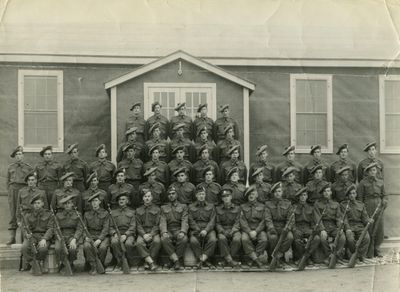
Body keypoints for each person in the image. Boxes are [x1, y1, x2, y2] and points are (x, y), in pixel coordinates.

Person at [357, 162, 386, 257]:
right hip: (367, 205)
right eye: (370, 171)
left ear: (376, 171)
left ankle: (377, 248)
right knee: (369, 227)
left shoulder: (381, 182)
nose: (373, 172)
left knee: (379, 228)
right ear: (367, 172)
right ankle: (369, 249)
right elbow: (360, 198)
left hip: (378, 205)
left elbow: (384, 195)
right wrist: (362, 210)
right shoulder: (363, 183)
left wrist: (384, 201)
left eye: (374, 170)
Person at [20, 194, 54, 274]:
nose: (37, 205)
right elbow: (25, 228)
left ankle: (37, 264)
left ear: (42, 203)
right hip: (32, 236)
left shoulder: (49, 214)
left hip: (43, 236)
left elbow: (50, 228)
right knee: (24, 248)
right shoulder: (28, 215)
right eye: (35, 203)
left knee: (43, 248)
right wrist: (26, 234)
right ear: (32, 205)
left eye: (38, 203)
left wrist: (45, 239)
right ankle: (34, 264)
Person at [314, 183, 346, 264]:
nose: (326, 193)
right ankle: (329, 255)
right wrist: (322, 229)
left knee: (342, 237)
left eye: (328, 191)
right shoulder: (317, 204)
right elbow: (317, 218)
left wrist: (340, 228)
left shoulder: (336, 204)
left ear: (331, 192)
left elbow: (339, 218)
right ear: (322, 193)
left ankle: (336, 255)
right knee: (322, 238)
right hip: (323, 226)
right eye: (324, 191)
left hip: (333, 226)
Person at [7, 146, 33, 245]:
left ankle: (26, 237)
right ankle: (12, 237)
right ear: (15, 156)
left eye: (20, 154)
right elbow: (7, 182)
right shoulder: (10, 167)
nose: (19, 156)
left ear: (23, 155)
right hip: (13, 190)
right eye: (17, 154)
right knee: (14, 212)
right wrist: (10, 192)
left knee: (26, 211)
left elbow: (31, 180)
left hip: (24, 190)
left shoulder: (28, 167)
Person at [265, 182, 294, 267]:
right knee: (273, 238)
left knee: (289, 237)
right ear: (273, 193)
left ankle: (279, 255)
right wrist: (271, 228)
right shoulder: (268, 204)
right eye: (276, 192)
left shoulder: (288, 204)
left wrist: (287, 228)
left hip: (284, 226)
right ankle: (271, 257)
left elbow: (291, 219)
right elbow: (268, 218)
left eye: (279, 191)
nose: (278, 193)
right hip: (273, 227)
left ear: (282, 192)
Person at [160, 186, 189, 270]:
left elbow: (184, 219)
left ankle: (173, 260)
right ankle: (177, 260)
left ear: (177, 195)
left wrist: (183, 231)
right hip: (168, 229)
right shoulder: (163, 207)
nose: (171, 195)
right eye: (169, 194)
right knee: (164, 239)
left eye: (173, 194)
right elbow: (163, 221)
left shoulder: (183, 206)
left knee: (184, 239)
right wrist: (164, 232)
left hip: (178, 229)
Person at [188, 186, 217, 268]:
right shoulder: (190, 207)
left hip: (208, 229)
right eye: (199, 194)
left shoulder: (211, 206)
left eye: (203, 194)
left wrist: (206, 230)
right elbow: (190, 220)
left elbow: (212, 221)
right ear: (196, 195)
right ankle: (205, 260)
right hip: (195, 229)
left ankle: (201, 260)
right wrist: (197, 229)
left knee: (213, 239)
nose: (201, 196)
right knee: (193, 240)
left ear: (205, 195)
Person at [341, 185, 371, 262]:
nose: (352, 195)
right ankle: (355, 255)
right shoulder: (343, 205)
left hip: (359, 226)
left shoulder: (361, 204)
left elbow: (365, 217)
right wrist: (347, 228)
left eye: (353, 193)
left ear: (356, 194)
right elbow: (344, 219)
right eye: (350, 194)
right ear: (347, 195)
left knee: (367, 238)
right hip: (349, 226)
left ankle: (360, 256)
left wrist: (368, 221)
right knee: (350, 239)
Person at [82, 191, 110, 275]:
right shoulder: (86, 214)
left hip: (102, 236)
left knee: (103, 247)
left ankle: (100, 264)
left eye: (96, 201)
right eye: (92, 201)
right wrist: (85, 236)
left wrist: (100, 239)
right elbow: (84, 228)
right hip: (90, 235)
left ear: (100, 202)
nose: (94, 203)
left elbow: (106, 228)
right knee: (86, 246)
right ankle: (93, 265)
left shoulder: (105, 213)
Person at [291, 187, 321, 264]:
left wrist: (313, 230)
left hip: (308, 228)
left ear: (307, 196)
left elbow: (315, 221)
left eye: (304, 195)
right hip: (297, 228)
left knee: (316, 238)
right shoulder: (293, 207)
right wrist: (294, 229)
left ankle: (306, 256)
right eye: (301, 195)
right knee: (297, 240)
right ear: (298, 197)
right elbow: (291, 221)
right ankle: (301, 257)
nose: (303, 197)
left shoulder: (311, 207)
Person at [54, 194, 83, 273]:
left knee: (72, 248)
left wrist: (75, 239)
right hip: (61, 235)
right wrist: (59, 238)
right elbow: (55, 228)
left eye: (69, 203)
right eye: (65, 203)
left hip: (72, 235)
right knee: (58, 248)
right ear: (63, 205)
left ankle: (71, 263)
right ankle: (63, 263)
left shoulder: (77, 215)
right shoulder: (58, 215)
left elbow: (80, 228)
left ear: (72, 204)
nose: (67, 205)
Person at [240, 185, 267, 268]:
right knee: (244, 239)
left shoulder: (262, 206)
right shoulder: (242, 206)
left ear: (257, 195)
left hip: (258, 229)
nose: (251, 196)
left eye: (253, 194)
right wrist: (249, 232)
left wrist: (256, 231)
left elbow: (264, 221)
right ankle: (257, 260)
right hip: (247, 230)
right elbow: (242, 221)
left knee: (264, 239)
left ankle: (253, 258)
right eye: (249, 194)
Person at [109, 191, 136, 271]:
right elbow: (110, 227)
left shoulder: (132, 212)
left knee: (128, 244)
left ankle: (128, 261)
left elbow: (133, 226)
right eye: (120, 199)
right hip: (117, 234)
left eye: (123, 199)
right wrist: (114, 233)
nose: (121, 201)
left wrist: (126, 235)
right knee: (114, 242)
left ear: (127, 201)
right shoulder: (113, 213)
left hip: (129, 234)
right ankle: (119, 261)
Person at [135, 189, 161, 271]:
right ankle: (151, 262)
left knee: (157, 241)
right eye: (145, 196)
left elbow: (157, 224)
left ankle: (148, 261)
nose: (147, 198)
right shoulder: (138, 210)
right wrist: (144, 235)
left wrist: (151, 234)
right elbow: (138, 225)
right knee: (139, 243)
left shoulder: (157, 209)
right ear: (142, 198)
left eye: (149, 196)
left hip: (153, 231)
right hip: (143, 232)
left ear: (152, 197)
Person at [215, 187, 242, 267]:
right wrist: (222, 231)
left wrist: (233, 231)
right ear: (222, 198)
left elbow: (238, 222)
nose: (226, 198)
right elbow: (217, 223)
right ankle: (230, 261)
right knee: (221, 238)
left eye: (228, 196)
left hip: (234, 229)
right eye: (224, 197)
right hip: (223, 229)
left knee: (237, 239)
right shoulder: (217, 209)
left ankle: (226, 260)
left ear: (231, 197)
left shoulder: (237, 208)